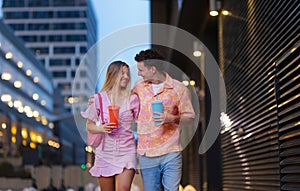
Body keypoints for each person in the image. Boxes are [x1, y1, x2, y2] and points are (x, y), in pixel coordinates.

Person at [133, 49, 195, 191]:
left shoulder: (179, 88)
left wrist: (171, 118)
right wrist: (98, 102)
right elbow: (123, 100)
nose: (138, 74)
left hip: (171, 152)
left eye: (141, 70)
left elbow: (190, 118)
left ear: (153, 69)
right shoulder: (138, 87)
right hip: (147, 154)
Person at [81, 61, 139, 191]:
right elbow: (89, 125)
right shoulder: (99, 99)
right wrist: (101, 128)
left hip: (126, 150)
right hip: (105, 152)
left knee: (123, 189)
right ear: (112, 75)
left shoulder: (133, 99)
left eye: (127, 73)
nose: (126, 76)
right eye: (122, 73)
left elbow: (143, 120)